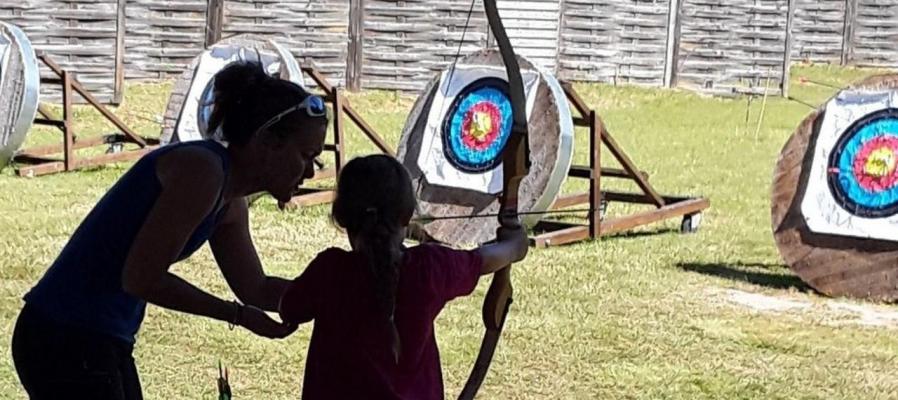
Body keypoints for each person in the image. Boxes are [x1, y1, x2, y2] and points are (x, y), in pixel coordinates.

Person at [11, 60, 328, 400]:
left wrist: (337, 298)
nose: (310, 172)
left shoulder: (230, 201)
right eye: (306, 155)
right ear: (267, 141)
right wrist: (234, 314)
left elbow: (257, 287)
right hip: (66, 333)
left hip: (98, 335)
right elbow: (141, 278)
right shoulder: (203, 172)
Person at [278, 154, 529, 399]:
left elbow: (289, 309)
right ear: (407, 215)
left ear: (342, 217)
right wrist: (514, 245)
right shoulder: (428, 268)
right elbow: (482, 260)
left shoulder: (329, 271)